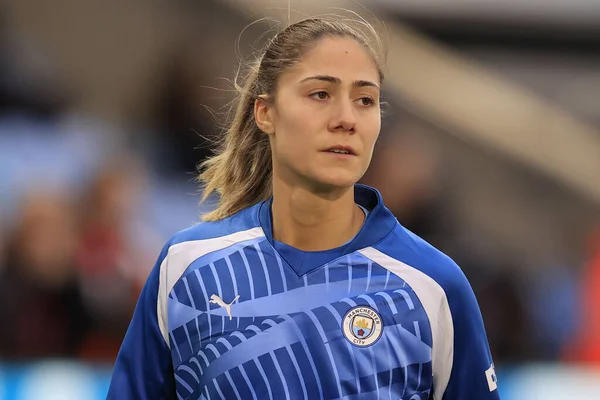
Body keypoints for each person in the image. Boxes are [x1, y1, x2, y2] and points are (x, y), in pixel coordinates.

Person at [108, 15, 500, 400]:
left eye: (365, 100)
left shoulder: (433, 285)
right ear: (266, 112)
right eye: (321, 94)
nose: (346, 119)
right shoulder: (186, 267)